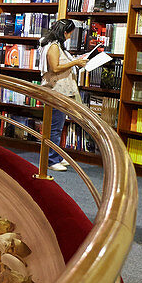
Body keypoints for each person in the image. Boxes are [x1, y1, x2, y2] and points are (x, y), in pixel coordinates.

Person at [39, 19, 90, 172]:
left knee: (58, 125)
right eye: (70, 33)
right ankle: (51, 160)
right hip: (56, 90)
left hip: (61, 90)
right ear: (64, 32)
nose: (70, 36)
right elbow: (55, 68)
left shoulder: (56, 45)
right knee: (55, 127)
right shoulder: (54, 46)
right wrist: (75, 63)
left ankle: (56, 156)